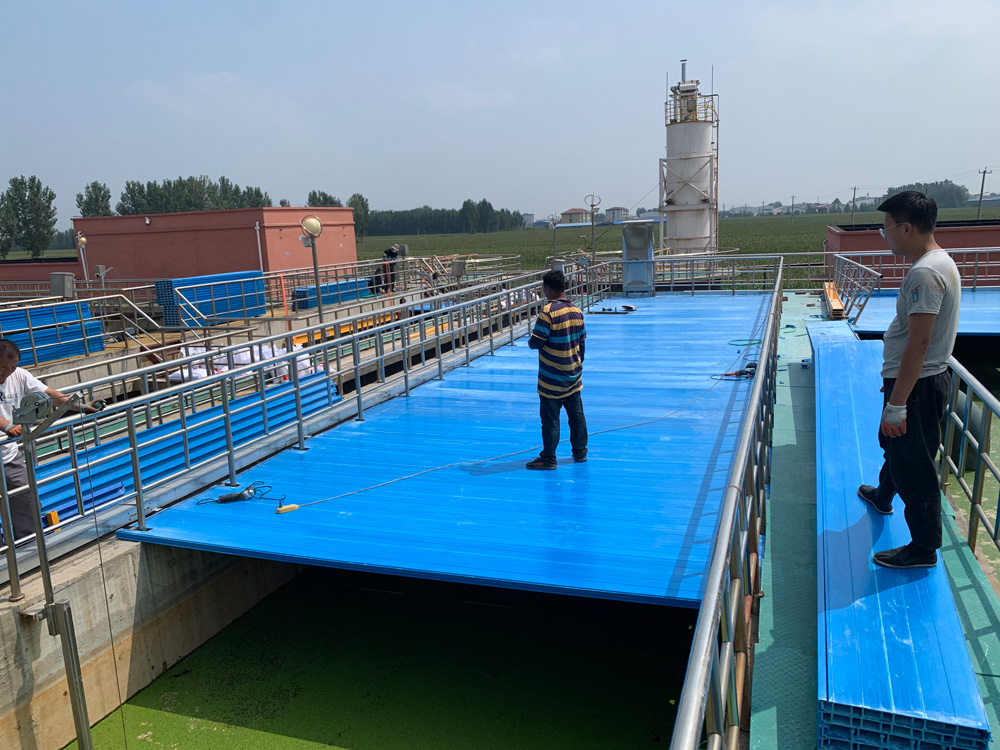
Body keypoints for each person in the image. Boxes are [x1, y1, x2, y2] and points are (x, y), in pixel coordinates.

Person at [857, 191, 961, 569]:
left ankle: (923, 548)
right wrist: (894, 389)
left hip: (917, 387)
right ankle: (883, 495)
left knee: (914, 466)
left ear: (906, 228)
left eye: (886, 230)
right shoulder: (939, 261)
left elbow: (918, 344)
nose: (885, 237)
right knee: (894, 446)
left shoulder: (924, 273)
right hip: (914, 380)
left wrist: (898, 402)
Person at [0, 339, 102, 544]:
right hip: (5, 439)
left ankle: (29, 544)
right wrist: (6, 426)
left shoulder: (19, 375)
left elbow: (49, 394)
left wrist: (79, 407)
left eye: (12, 367)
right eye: (3, 368)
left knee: (26, 498)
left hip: (8, 455)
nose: (8, 373)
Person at [526, 270, 588, 470]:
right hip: (573, 376)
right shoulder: (577, 311)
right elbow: (582, 344)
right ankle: (580, 452)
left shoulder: (548, 312)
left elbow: (537, 342)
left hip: (551, 380)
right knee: (577, 417)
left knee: (550, 421)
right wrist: (577, 364)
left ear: (549, 289)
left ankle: (549, 459)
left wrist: (530, 342)